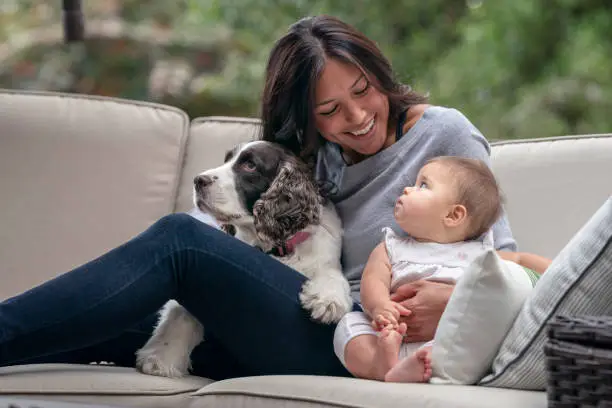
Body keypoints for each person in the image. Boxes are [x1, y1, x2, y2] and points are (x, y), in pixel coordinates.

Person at [0, 15, 532, 378]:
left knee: (179, 241)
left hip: (356, 340)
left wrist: (454, 300)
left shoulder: (445, 136)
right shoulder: (312, 160)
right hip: (291, 318)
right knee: (111, 318)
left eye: (363, 89)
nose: (356, 116)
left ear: (380, 74)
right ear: (305, 119)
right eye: (328, 111)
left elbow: (505, 262)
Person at [333, 156, 552, 383]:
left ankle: (417, 365)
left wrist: (557, 269)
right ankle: (383, 366)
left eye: (423, 185)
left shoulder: (479, 254)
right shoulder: (391, 246)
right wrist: (380, 307)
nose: (408, 189)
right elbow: (374, 280)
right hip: (389, 334)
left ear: (453, 215)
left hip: (444, 341)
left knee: (478, 339)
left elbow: (520, 259)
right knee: (348, 326)